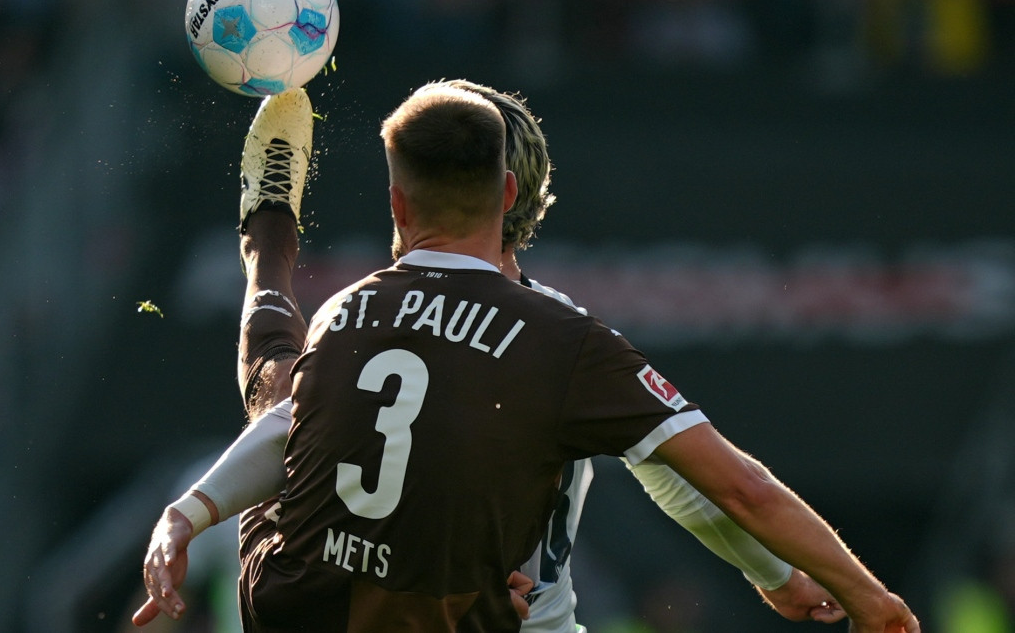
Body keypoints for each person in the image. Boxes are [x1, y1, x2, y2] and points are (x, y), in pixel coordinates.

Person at [137, 83, 918, 632]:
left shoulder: (353, 310)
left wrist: (187, 512)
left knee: (277, 383)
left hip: (358, 607)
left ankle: (268, 225)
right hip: (473, 614)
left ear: (399, 200)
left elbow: (280, 421)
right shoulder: (565, 341)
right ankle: (268, 225)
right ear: (513, 194)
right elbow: (707, 488)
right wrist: (790, 577)